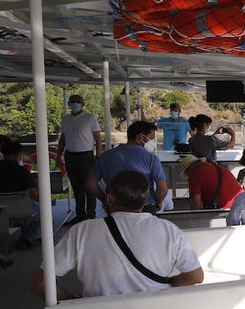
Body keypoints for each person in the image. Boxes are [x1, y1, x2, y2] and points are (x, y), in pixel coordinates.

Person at [31, 170, 203, 298]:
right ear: (144, 199)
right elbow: (195, 276)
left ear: (111, 198)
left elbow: (40, 285)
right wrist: (168, 284)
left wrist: (73, 301)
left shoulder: (81, 231)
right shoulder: (169, 230)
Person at [86, 120, 167, 213]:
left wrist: (105, 199)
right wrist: (159, 201)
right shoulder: (151, 159)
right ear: (141, 137)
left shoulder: (105, 157)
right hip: (145, 206)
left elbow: (90, 184)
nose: (153, 142)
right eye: (152, 139)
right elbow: (162, 188)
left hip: (115, 207)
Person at [58, 94, 103, 224]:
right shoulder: (66, 119)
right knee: (76, 187)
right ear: (69, 104)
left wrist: (98, 155)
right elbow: (63, 139)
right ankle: (80, 214)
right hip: (70, 155)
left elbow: (98, 138)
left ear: (82, 103)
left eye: (77, 101)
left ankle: (91, 214)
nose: (74, 103)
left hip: (86, 155)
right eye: (72, 101)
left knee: (89, 185)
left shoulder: (89, 118)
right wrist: (58, 155)